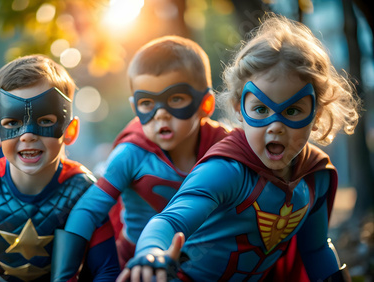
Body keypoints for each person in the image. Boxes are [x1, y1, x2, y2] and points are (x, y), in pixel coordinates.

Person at [117, 13, 361, 282]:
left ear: (316, 114)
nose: (276, 126)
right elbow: (169, 221)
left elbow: (314, 249)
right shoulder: (226, 171)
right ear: (239, 109)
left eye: (292, 110)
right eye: (260, 109)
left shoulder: (315, 176)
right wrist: (152, 251)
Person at [0, 54, 120, 281]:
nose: (28, 135)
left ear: (69, 131)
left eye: (45, 121)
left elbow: (106, 270)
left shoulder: (86, 192)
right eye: (12, 123)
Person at [62, 35, 229, 275]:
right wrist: (64, 274)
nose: (161, 114)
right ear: (135, 108)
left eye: (176, 99)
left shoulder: (225, 146)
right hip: (133, 265)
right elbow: (87, 210)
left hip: (204, 266)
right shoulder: (130, 154)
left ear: (205, 104)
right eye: (148, 103)